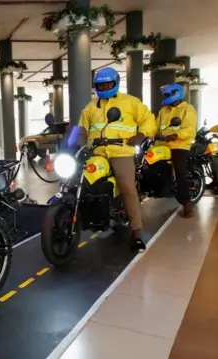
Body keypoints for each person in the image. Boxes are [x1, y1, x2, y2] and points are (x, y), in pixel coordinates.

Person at [76, 67, 156, 252]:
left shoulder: (130, 102)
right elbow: (82, 128)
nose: (104, 87)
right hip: (97, 153)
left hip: (121, 152)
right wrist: (76, 144)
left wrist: (142, 135)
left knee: (128, 188)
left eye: (108, 83)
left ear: (115, 83)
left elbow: (148, 119)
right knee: (79, 180)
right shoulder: (90, 107)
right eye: (100, 84)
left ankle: (136, 233)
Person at [155, 84, 198, 218]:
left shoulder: (188, 109)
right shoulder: (163, 110)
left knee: (179, 168)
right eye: (165, 95)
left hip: (179, 145)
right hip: (161, 145)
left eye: (167, 95)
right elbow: (155, 127)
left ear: (176, 94)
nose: (165, 97)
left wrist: (175, 135)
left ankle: (187, 203)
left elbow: (190, 129)